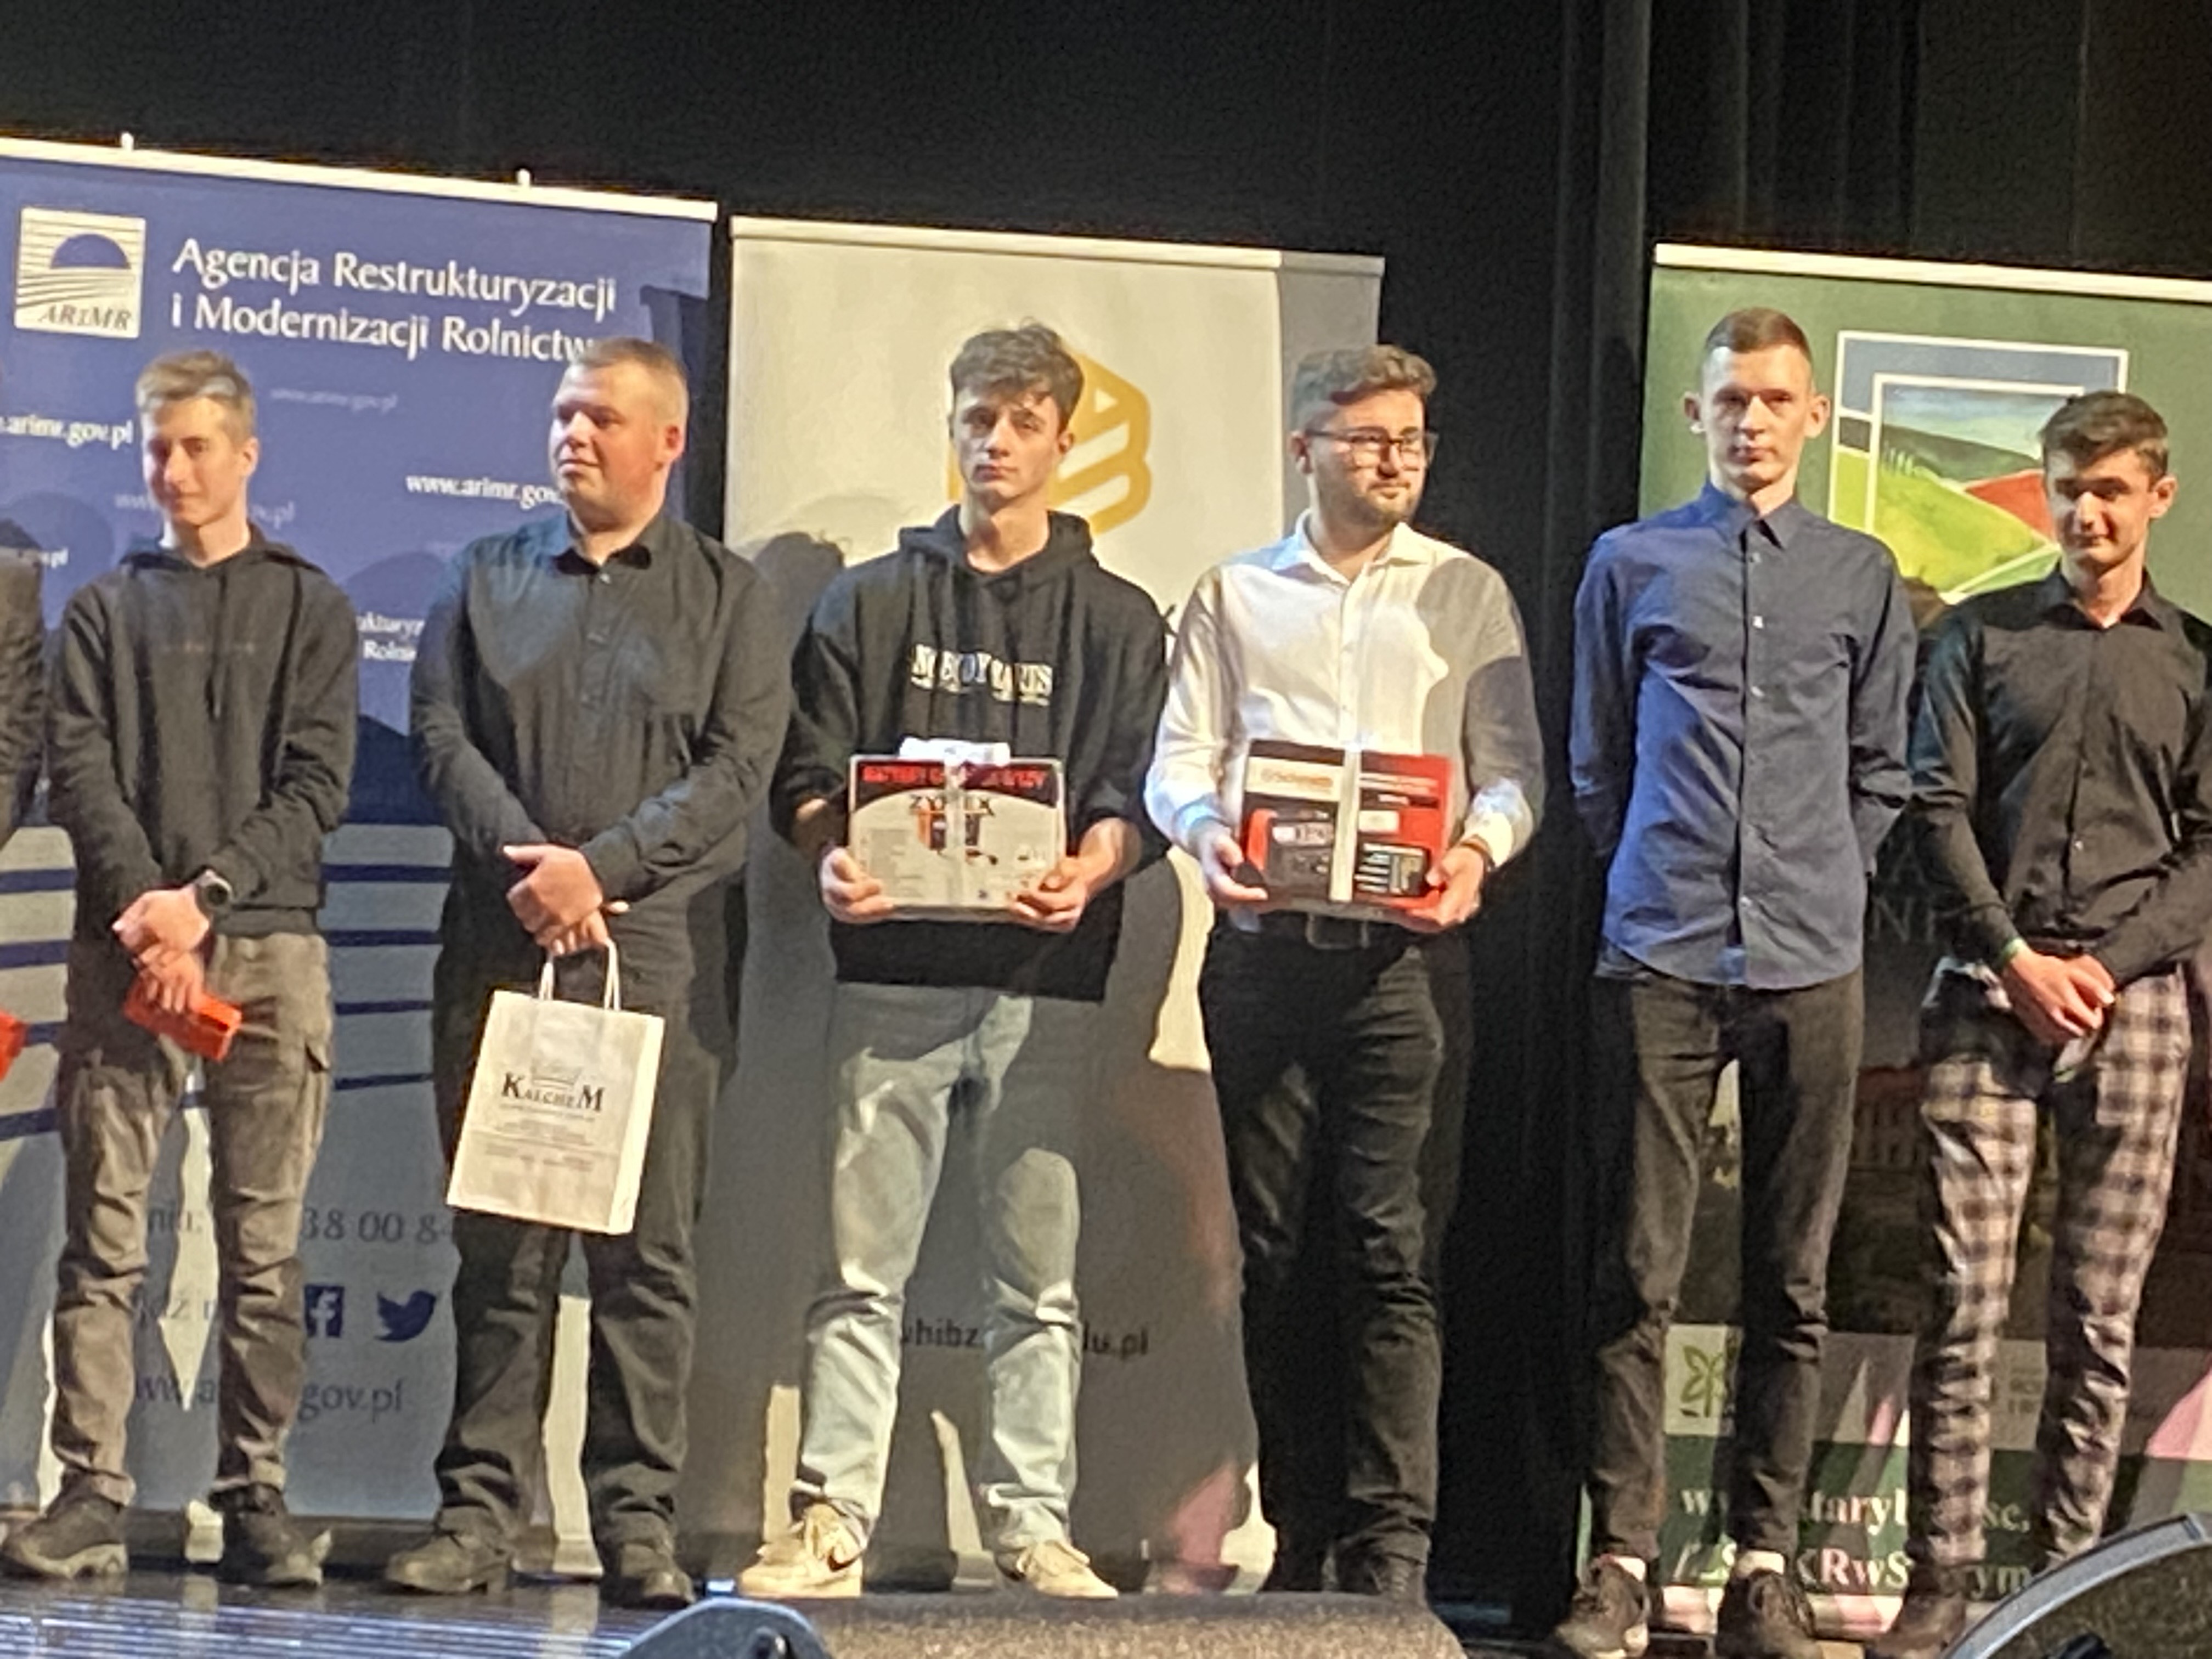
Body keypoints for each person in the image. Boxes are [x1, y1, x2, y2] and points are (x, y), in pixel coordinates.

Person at [740, 323, 1165, 1601]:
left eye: (1024, 423)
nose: (997, 444)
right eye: (979, 419)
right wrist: (829, 854)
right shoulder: (870, 600)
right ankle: (832, 1519)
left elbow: (1134, 791)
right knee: (857, 1275)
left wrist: (1091, 867)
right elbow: (808, 774)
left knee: (1037, 1286)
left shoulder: (1117, 618)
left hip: (1047, 992)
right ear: (953, 428)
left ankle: (1033, 1529)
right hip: (892, 979)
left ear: (1065, 441)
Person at [387, 337, 787, 1609]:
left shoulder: (730, 597)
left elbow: (738, 769)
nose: (574, 435)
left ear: (668, 441)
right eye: (565, 414)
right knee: (503, 1253)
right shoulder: (484, 573)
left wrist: (599, 870)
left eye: (603, 418)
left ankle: (637, 1528)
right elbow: (440, 735)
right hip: (503, 944)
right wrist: (536, 865)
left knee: (644, 1258)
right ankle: (479, 1517)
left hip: (654, 957)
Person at [1145, 343, 1544, 1601]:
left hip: (1405, 969)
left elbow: (1513, 773)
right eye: (1368, 438)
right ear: (1304, 447)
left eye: (1411, 441)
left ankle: (1392, 1548)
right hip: (1265, 960)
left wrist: (1476, 855)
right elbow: (1179, 760)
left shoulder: (1466, 592)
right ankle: (1302, 1531)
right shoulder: (1235, 593)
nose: (1394, 461)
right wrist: (1206, 834)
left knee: (1391, 1249)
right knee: (1272, 1255)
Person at [1556, 307, 1915, 1659]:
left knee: (1792, 1278)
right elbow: (1596, 761)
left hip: (1812, 959)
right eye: (1730, 401)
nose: (1751, 422)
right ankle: (1622, 1563)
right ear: (1696, 415)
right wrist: (1651, 869)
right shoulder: (1629, 562)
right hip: (1661, 951)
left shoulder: (1861, 575)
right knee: (1634, 1270)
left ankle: (1765, 1563)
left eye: (1774, 400)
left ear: (1812, 416)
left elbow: (1883, 767)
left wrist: (1831, 874)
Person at [1869, 391, 2212, 1659]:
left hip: (2137, 1004)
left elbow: (2210, 851)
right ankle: (1943, 1583)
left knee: (2098, 1316)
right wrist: (2016, 959)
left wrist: (2103, 969)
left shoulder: (2199, 660)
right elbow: (1934, 805)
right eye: (2068, 487)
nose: (2087, 512)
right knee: (1964, 1299)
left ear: (2157, 497)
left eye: (2111, 490)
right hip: (1985, 990)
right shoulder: (1978, 635)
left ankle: (2062, 1587)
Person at [4, 349, 357, 1587]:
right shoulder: (103, 610)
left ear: (247, 455)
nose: (176, 469)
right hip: (123, 947)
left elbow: (317, 786)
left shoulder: (311, 608)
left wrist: (202, 903)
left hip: (268, 949)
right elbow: (80, 776)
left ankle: (255, 1495)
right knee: (104, 1240)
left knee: (263, 1252)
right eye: (158, 447)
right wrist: (150, 918)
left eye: (199, 446)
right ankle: (91, 1490)